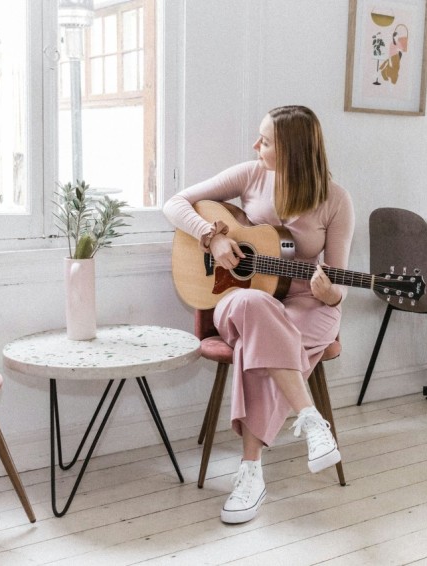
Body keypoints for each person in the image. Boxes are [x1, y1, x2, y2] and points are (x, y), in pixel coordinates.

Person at [163, 105, 354, 524]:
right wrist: (211, 239)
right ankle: (310, 417)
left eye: (265, 141)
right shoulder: (250, 174)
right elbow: (175, 204)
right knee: (254, 308)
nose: (256, 146)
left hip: (307, 304)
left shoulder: (335, 200)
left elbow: (337, 280)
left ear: (293, 150)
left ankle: (250, 473)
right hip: (240, 299)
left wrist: (332, 293)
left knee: (259, 349)